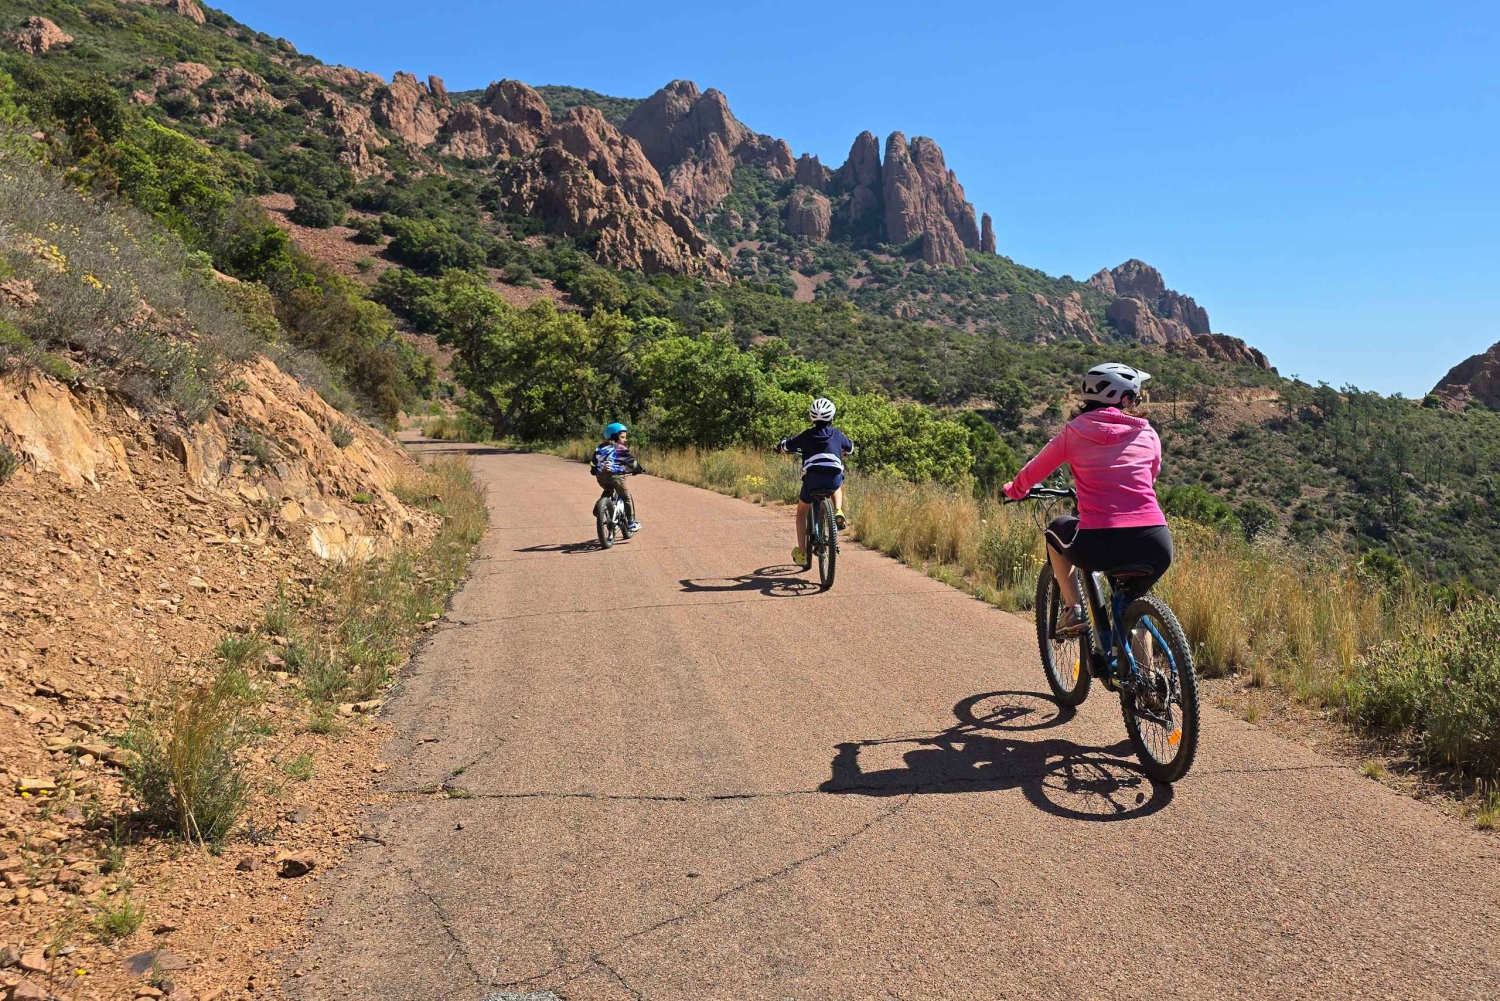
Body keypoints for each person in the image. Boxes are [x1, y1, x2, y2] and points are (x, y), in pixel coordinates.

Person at [1002, 364, 1171, 634]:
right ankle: (1143, 674)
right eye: (1136, 398)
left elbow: (1034, 470)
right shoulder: (1148, 433)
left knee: (1056, 529)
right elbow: (1151, 477)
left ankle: (1073, 610)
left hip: (1099, 542)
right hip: (1155, 541)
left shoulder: (1074, 432)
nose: (1137, 404)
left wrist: (1014, 490)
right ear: (1125, 399)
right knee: (1131, 608)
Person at [777, 397, 855, 566]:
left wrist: (780, 448)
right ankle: (838, 510)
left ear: (812, 417)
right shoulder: (837, 434)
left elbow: (786, 444)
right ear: (832, 418)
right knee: (837, 483)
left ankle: (802, 553)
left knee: (801, 512)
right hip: (832, 476)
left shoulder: (806, 435)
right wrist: (845, 452)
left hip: (812, 479)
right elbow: (850, 448)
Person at [592, 422, 644, 532]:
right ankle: (630, 523)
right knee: (626, 497)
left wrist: (594, 470)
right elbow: (632, 463)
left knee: (608, 489)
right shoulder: (620, 448)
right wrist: (639, 469)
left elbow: (593, 462)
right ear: (615, 436)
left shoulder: (600, 447)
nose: (625, 440)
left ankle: (599, 508)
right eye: (622, 437)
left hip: (600, 477)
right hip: (616, 476)